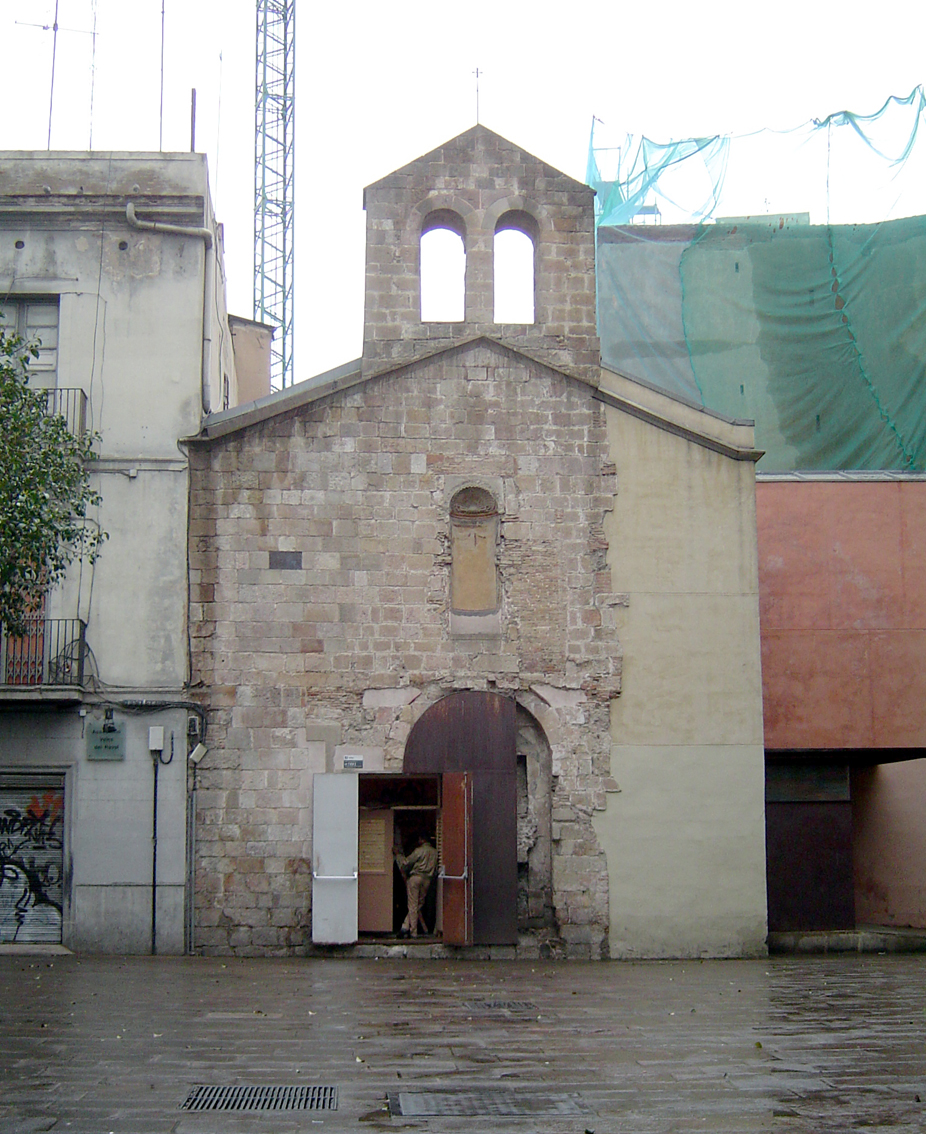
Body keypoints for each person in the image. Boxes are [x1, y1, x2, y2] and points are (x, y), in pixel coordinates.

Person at [393, 832, 439, 938]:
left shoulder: (419, 851)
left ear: (422, 840)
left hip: (415, 878)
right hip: (427, 880)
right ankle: (405, 926)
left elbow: (406, 863)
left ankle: (413, 932)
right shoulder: (435, 852)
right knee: (419, 904)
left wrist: (398, 855)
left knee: (413, 904)